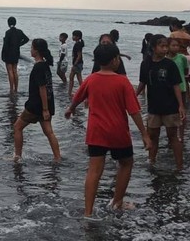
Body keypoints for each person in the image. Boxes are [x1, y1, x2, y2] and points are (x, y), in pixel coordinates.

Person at [65, 44, 151, 219]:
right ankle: (117, 202)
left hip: (96, 132)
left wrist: (70, 109)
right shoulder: (122, 81)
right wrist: (144, 134)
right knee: (126, 163)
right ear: (115, 61)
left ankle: (88, 212)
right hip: (118, 131)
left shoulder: (91, 79)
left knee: (94, 169)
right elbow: (134, 111)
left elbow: (78, 96)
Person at [136, 34, 185, 171]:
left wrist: (181, 105)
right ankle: (151, 162)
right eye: (162, 46)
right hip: (153, 108)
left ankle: (179, 166)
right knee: (153, 136)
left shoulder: (170, 64)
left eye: (166, 46)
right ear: (153, 47)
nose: (165, 49)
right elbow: (142, 83)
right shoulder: (145, 64)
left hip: (170, 107)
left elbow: (176, 86)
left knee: (173, 137)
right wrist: (134, 96)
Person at [13, 39, 61, 162]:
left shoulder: (38, 67)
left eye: (32, 48)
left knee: (17, 127)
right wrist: (47, 108)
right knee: (49, 132)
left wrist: (44, 109)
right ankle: (57, 158)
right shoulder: (45, 65)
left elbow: (42, 88)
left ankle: (17, 157)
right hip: (47, 104)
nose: (30, 50)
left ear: (37, 51)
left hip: (36, 106)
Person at [167, 37, 189, 142]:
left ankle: (181, 135)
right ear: (168, 46)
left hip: (181, 88)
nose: (176, 47)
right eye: (173, 45)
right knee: (169, 113)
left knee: (181, 111)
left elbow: (185, 71)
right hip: (167, 89)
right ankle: (172, 135)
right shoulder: (165, 59)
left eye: (177, 46)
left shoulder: (182, 58)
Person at [1, 16, 29, 93]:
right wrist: (19, 44)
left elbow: (5, 45)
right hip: (16, 52)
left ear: (8, 23)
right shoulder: (19, 31)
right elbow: (26, 39)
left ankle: (11, 89)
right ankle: (16, 89)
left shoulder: (8, 32)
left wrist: (3, 55)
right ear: (15, 23)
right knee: (15, 71)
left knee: (10, 71)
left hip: (8, 53)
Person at [68, 30, 85, 98]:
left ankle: (70, 93)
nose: (72, 37)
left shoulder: (78, 44)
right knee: (78, 78)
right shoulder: (78, 43)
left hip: (77, 64)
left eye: (74, 36)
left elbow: (79, 55)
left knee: (72, 77)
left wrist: (75, 64)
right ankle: (84, 92)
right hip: (79, 63)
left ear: (78, 37)